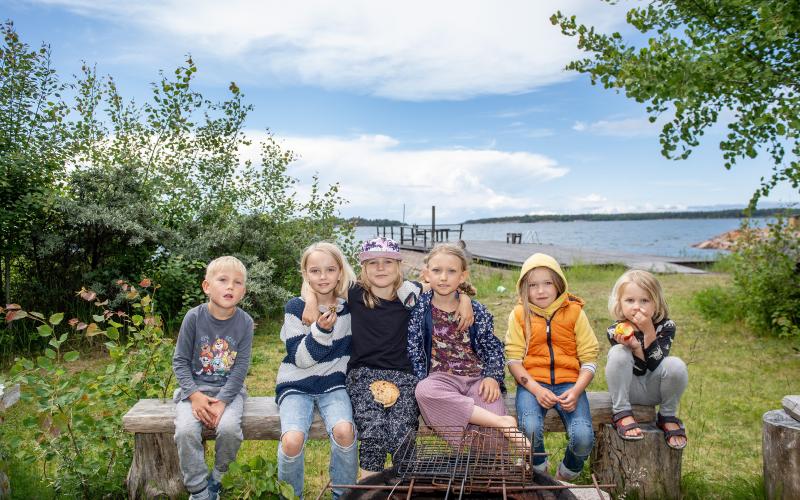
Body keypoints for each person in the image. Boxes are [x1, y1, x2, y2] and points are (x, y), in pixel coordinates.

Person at [302, 237, 474, 479]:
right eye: (373, 263)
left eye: (387, 262)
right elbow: (318, 284)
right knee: (373, 432)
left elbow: (445, 286)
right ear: (363, 267)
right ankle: (370, 491)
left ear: (398, 266)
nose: (380, 268)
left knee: (403, 433)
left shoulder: (411, 293)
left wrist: (465, 300)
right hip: (363, 374)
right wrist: (310, 302)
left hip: (404, 376)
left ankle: (406, 489)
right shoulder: (354, 292)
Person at [408, 243, 523, 446]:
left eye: (451, 271)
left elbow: (493, 346)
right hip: (440, 380)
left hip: (477, 380)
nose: (443, 277)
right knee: (423, 391)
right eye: (437, 271)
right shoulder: (418, 309)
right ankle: (499, 423)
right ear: (426, 274)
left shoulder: (477, 310)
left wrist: (492, 377)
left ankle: (489, 457)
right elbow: (414, 349)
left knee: (494, 436)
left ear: (462, 276)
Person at [505, 253, 599, 482]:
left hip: (570, 384)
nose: (541, 290)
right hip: (532, 384)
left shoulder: (575, 313)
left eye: (547, 283)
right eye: (533, 285)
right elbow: (513, 360)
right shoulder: (519, 314)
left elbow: (589, 359)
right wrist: (536, 389)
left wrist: (576, 391)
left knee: (584, 436)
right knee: (529, 427)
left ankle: (568, 471)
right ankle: (538, 466)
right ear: (523, 289)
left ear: (559, 283)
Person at [276, 242, 358, 499]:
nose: (323, 277)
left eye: (330, 269)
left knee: (345, 431)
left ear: (340, 272)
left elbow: (392, 286)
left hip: (333, 384)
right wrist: (321, 331)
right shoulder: (295, 308)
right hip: (296, 385)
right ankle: (291, 495)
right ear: (305, 274)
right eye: (315, 271)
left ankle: (343, 495)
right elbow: (300, 359)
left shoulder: (350, 308)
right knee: (292, 440)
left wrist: (463, 296)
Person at [172, 256, 254, 500]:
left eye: (237, 283)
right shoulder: (194, 318)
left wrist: (223, 401)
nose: (230, 287)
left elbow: (240, 368)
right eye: (223, 280)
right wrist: (195, 396)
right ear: (207, 286)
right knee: (185, 431)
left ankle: (217, 478)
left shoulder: (245, 322)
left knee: (229, 429)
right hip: (194, 391)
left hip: (229, 392)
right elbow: (180, 361)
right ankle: (198, 490)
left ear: (244, 291)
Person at [605, 269, 688, 449]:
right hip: (628, 389)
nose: (637, 306)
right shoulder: (616, 329)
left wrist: (649, 330)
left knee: (677, 365)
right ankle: (621, 412)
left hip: (656, 388)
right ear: (620, 303)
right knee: (619, 352)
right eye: (630, 300)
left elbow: (655, 364)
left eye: (644, 300)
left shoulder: (666, 326)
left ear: (656, 303)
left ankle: (667, 415)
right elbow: (638, 369)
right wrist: (633, 347)